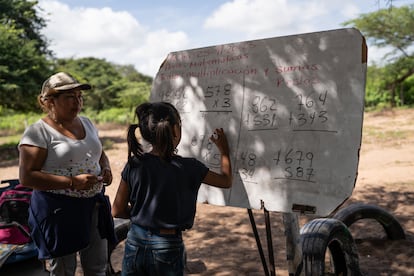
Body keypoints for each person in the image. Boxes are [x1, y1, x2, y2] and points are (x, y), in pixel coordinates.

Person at [111, 102, 233, 276]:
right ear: (175, 130)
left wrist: (142, 213)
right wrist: (225, 151)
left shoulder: (134, 165)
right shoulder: (190, 167)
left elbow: (117, 210)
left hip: (135, 241)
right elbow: (226, 181)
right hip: (167, 245)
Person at [18, 72, 116, 276]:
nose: (77, 102)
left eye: (79, 96)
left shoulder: (87, 123)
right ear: (49, 101)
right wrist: (71, 182)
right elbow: (27, 177)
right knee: (63, 269)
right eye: (70, 97)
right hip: (58, 210)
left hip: (93, 205)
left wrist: (105, 168)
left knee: (97, 267)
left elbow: (99, 153)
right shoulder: (38, 132)